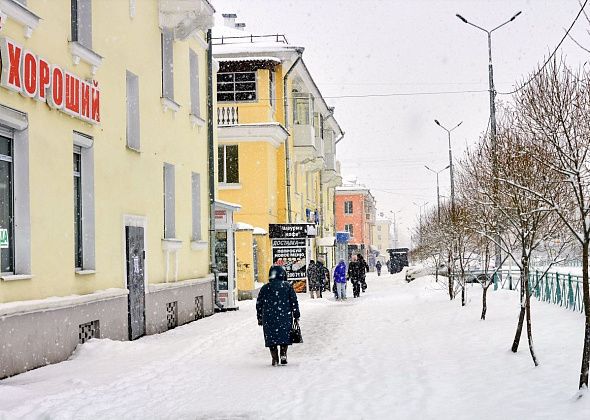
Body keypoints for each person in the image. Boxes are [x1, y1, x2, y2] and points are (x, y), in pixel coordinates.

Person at [256, 265, 300, 366]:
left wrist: (259, 317)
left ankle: (274, 358)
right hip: (285, 316)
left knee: (272, 338)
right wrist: (296, 315)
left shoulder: (265, 288)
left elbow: (259, 304)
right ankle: (283, 354)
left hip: (269, 317)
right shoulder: (287, 286)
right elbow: (294, 302)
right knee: (284, 336)